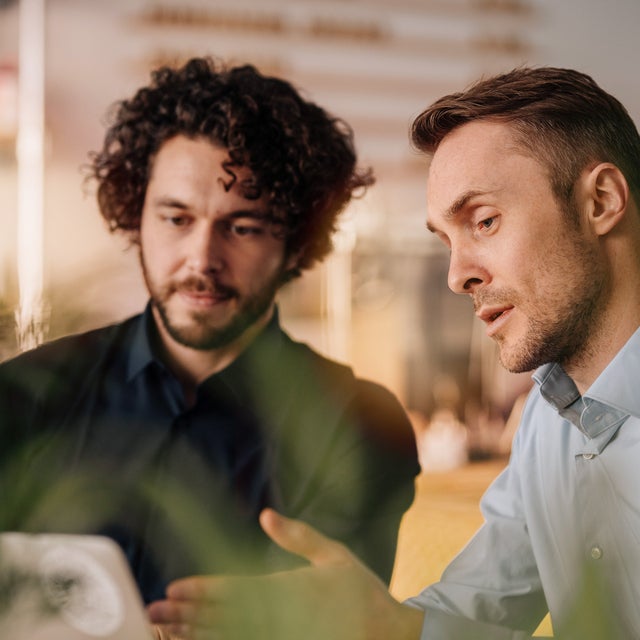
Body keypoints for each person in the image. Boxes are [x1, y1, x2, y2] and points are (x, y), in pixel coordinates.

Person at [148, 65, 640, 639]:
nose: (457, 276)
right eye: (447, 241)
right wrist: (377, 623)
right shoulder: (548, 422)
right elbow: (474, 615)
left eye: (484, 221)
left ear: (601, 201)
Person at [0, 57, 418, 607]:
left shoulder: (361, 425)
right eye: (176, 219)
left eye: (242, 227)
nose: (202, 258)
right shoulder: (23, 395)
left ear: (297, 242)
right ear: (137, 217)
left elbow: (333, 617)